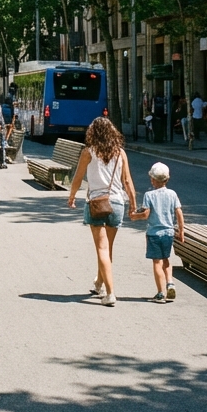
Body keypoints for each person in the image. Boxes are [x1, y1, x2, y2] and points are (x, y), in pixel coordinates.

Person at [66, 117, 137, 308]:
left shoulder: (88, 152)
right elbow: (127, 181)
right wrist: (133, 204)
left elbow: (78, 177)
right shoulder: (120, 152)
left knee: (102, 249)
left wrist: (72, 196)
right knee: (107, 249)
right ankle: (99, 283)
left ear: (92, 133)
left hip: (97, 203)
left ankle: (110, 293)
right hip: (117, 203)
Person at [129, 161, 184, 302]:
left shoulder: (149, 195)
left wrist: (134, 216)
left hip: (154, 234)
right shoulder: (172, 194)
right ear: (167, 179)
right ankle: (170, 283)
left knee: (157, 263)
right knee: (166, 259)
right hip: (169, 233)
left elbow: (145, 214)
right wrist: (181, 231)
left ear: (153, 179)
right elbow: (179, 212)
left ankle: (160, 293)